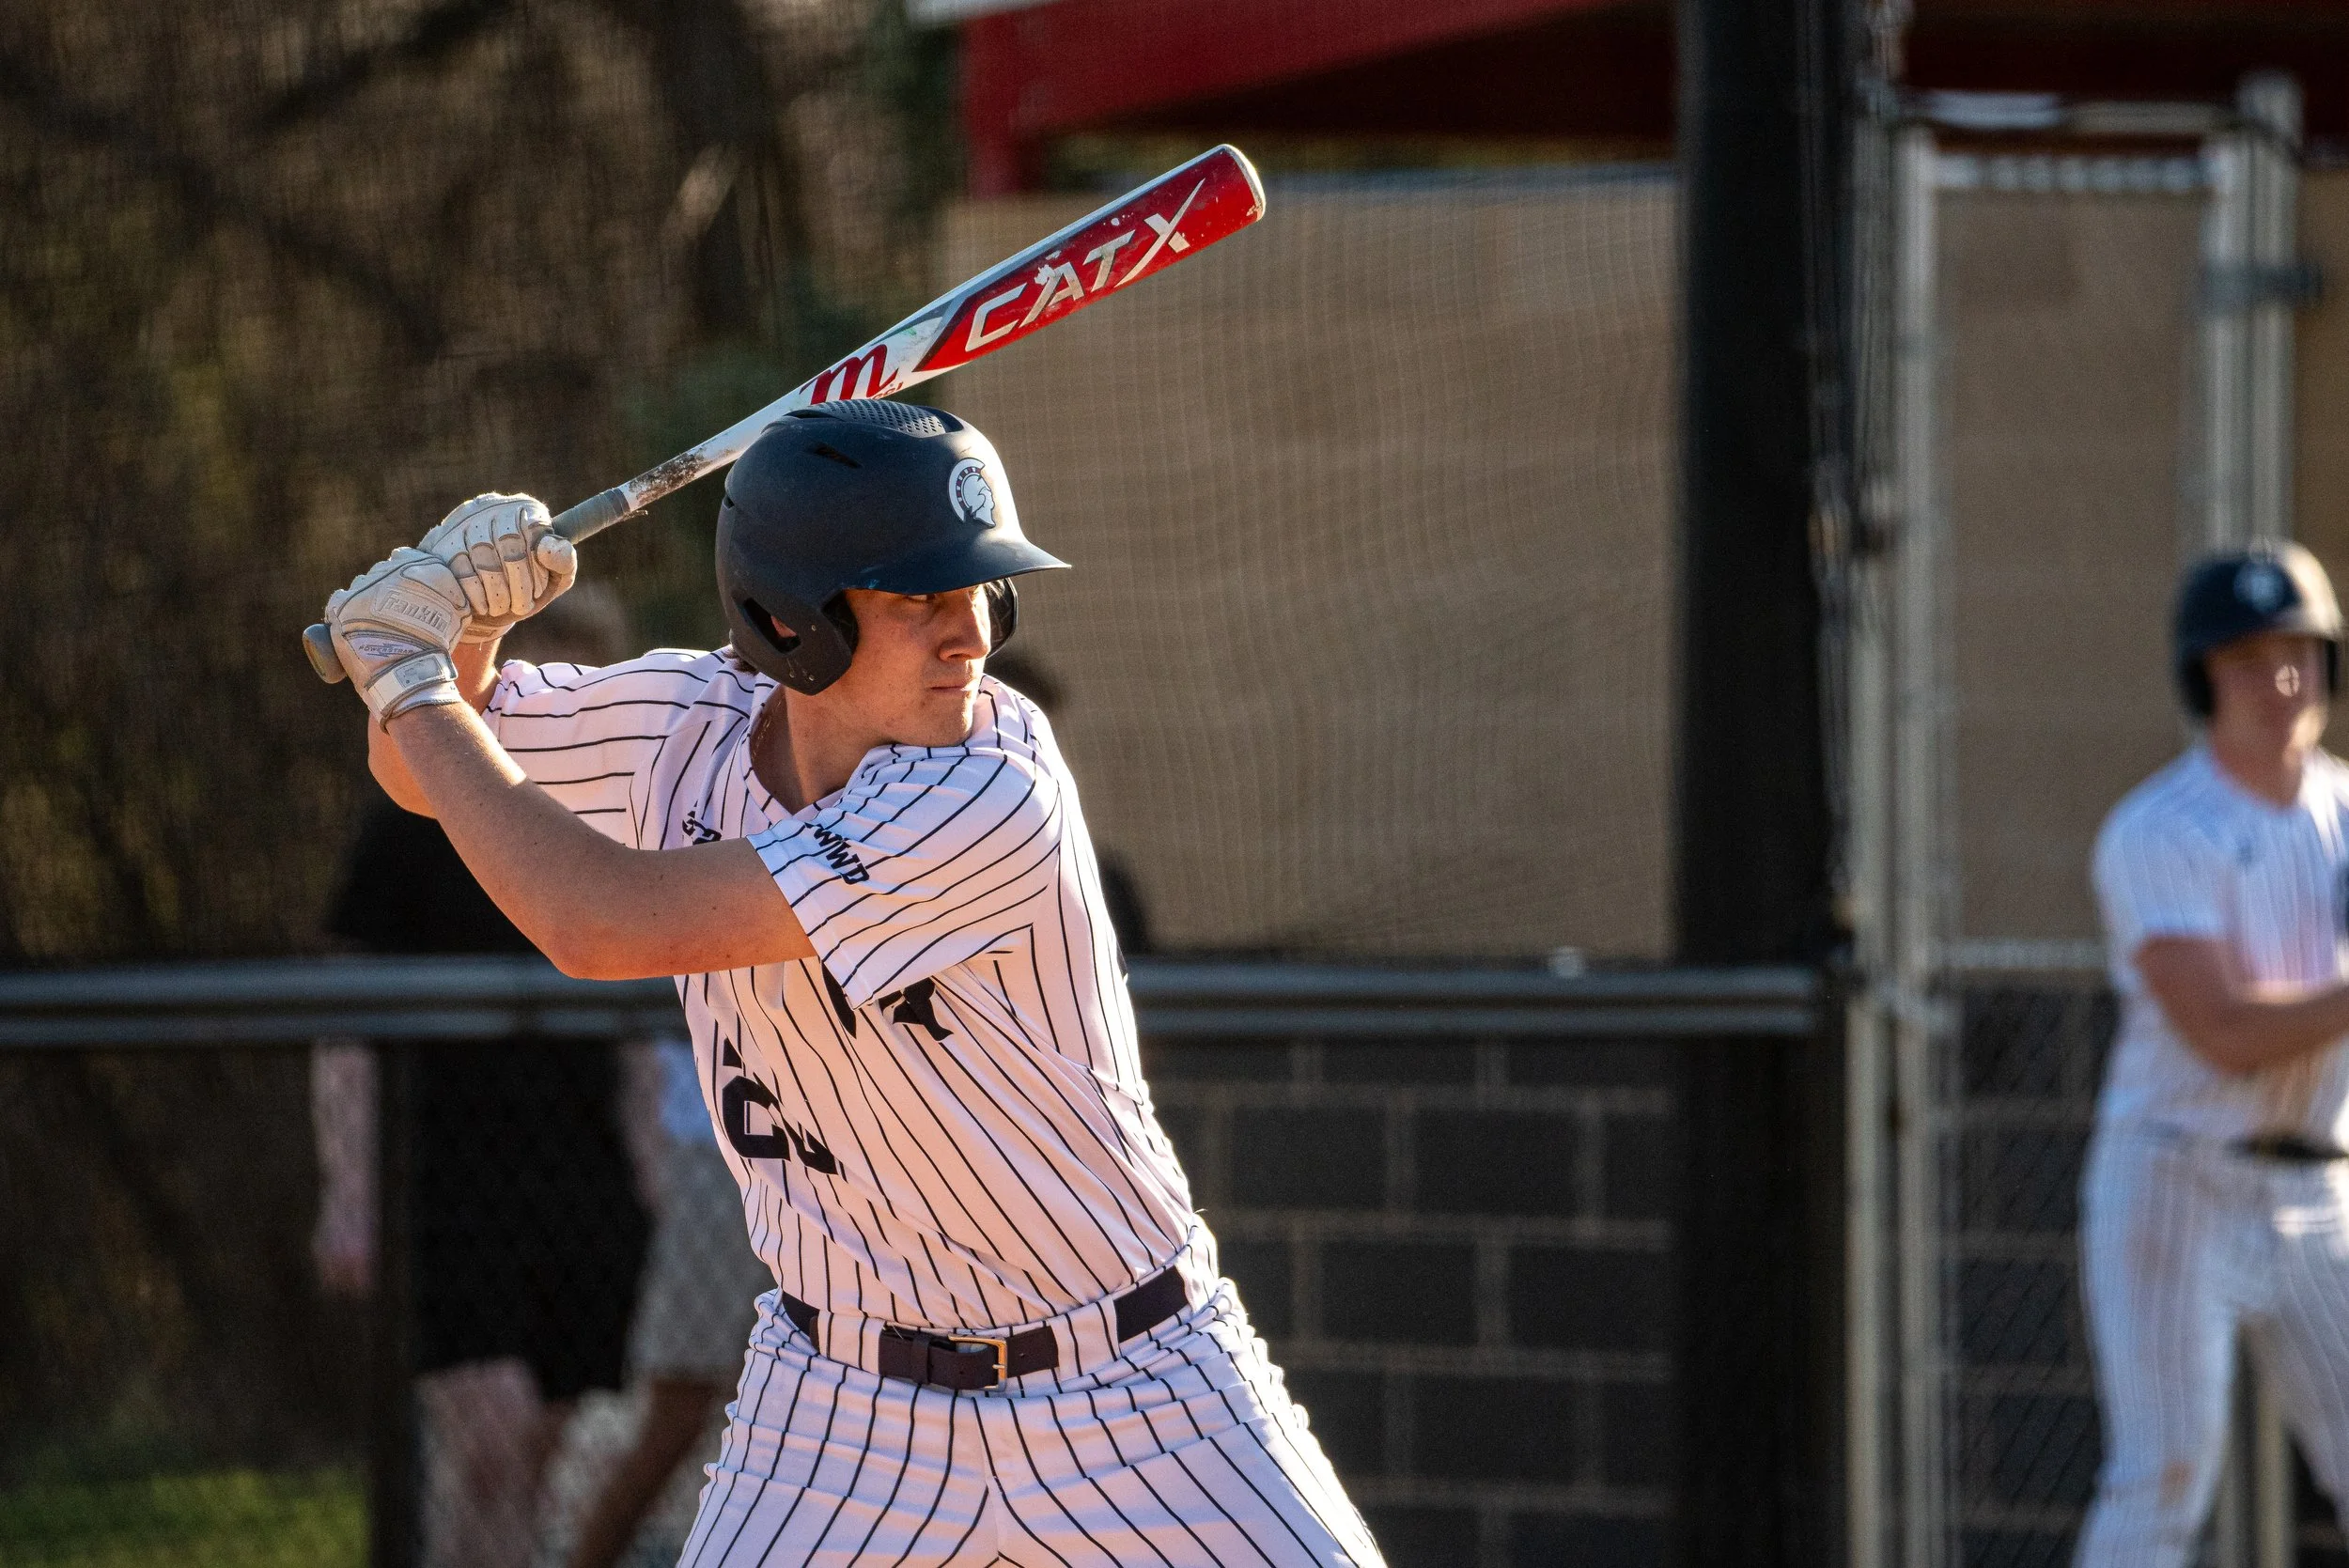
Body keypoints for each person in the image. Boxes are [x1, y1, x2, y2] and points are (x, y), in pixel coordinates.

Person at [314, 400, 1382, 1567]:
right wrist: (458, 644)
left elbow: (598, 921)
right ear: (791, 621)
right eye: (921, 598)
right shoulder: (687, 723)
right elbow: (424, 770)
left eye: (983, 591)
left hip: (1129, 1384)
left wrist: (413, 675)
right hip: (844, 1407)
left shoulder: (989, 789)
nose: (971, 635)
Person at [312, 585, 650, 1568]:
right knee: (490, 1443)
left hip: (582, 1175)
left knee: (539, 1449)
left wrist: (649, 1172)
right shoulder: (410, 814)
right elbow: (341, 1026)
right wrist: (348, 1192)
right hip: (443, 1182)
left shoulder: (617, 814)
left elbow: (639, 1018)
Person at [2082, 542, 2349, 1564]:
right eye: (2246, 660)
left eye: (2298, 654)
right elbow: (2226, 1032)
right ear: (2202, 677)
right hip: (2179, 1180)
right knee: (2163, 1475)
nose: (2279, 682)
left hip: (2320, 1188)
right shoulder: (2156, 828)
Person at [565, 1031, 773, 1568]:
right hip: (711, 1147)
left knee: (793, 1408)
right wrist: (649, 1148)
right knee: (677, 1412)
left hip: (818, 1159)